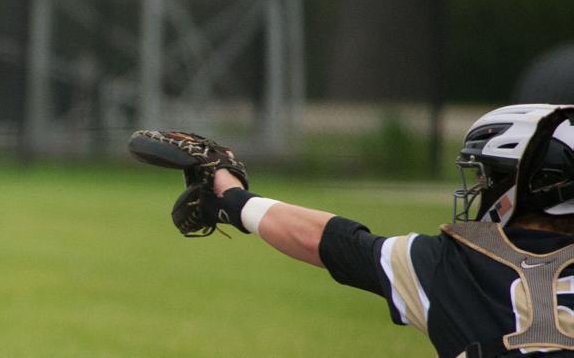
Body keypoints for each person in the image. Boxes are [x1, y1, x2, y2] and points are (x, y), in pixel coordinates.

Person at [129, 104, 574, 358]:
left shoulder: (451, 267)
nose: (478, 187)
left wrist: (232, 198)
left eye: (487, 176)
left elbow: (329, 240)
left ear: (526, 184)